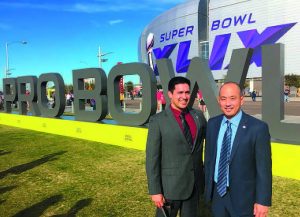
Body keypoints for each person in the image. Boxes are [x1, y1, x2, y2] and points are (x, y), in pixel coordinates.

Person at [204, 82, 272, 217]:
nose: (227, 103)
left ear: (241, 100)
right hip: (218, 195)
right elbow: (210, 158)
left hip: (244, 199)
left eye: (232, 98)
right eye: (223, 99)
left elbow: (264, 168)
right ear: (219, 101)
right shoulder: (213, 123)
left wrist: (262, 201)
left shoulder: (258, 128)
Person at [146, 76, 207, 217]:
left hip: (194, 186)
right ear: (170, 94)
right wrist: (155, 190)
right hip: (169, 188)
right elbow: (152, 159)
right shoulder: (158, 121)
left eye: (187, 92)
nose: (184, 97)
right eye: (180, 93)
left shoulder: (198, 116)